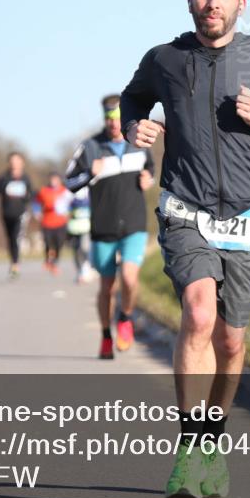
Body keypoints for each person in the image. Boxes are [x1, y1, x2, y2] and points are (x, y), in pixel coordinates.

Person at [120, 0, 250, 498]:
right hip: (186, 212)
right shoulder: (165, 59)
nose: (212, 3)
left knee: (231, 340)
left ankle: (212, 441)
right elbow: (132, 98)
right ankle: (187, 443)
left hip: (246, 222)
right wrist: (136, 126)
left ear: (241, 2)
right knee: (199, 314)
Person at [66, 95, 156, 360]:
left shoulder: (138, 143)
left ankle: (125, 318)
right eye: (108, 118)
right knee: (107, 287)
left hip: (134, 223)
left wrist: (148, 177)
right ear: (103, 118)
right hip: (103, 227)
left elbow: (150, 167)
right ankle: (106, 335)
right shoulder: (90, 147)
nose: (113, 123)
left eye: (117, 118)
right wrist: (89, 173)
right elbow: (69, 183)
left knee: (129, 277)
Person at [0, 152, 33, 279]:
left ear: (22, 162)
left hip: (21, 213)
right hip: (7, 213)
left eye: (17, 160)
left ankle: (15, 264)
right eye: (12, 161)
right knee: (10, 239)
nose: (14, 163)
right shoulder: (4, 177)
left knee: (16, 237)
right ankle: (13, 261)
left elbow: (31, 194)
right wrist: (0, 187)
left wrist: (28, 198)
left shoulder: (26, 178)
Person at [35, 173, 73, 275]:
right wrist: (37, 211)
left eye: (56, 179)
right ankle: (48, 259)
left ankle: (54, 263)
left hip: (61, 222)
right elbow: (36, 202)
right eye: (52, 179)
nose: (53, 181)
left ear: (59, 180)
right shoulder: (44, 191)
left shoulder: (65, 191)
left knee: (59, 243)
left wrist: (70, 213)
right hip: (47, 222)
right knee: (47, 242)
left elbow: (71, 204)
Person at [66, 186, 93, 284]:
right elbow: (66, 210)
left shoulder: (89, 192)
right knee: (76, 251)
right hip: (73, 228)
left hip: (86, 228)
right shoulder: (70, 192)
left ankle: (86, 269)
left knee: (85, 248)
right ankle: (79, 271)